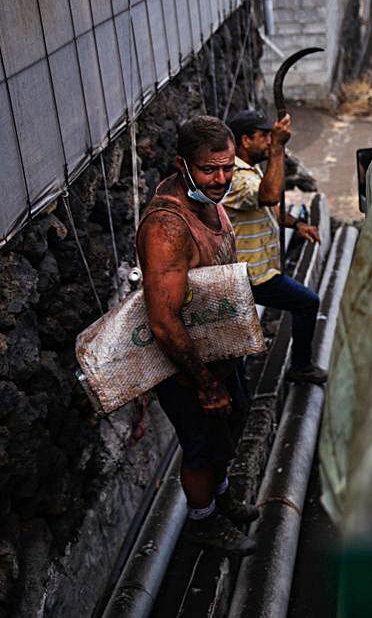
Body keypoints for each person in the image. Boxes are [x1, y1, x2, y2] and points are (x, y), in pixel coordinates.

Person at [137, 115, 258, 556]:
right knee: (201, 446)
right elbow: (164, 321)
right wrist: (205, 384)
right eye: (209, 170)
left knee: (229, 427)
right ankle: (202, 521)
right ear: (182, 165)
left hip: (220, 352)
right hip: (189, 368)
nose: (221, 179)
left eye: (227, 168)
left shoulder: (210, 199)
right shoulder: (167, 228)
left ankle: (221, 496)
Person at [222, 109, 328, 385]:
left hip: (261, 268)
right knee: (307, 302)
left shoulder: (249, 169)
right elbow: (269, 196)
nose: (269, 141)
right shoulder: (234, 175)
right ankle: (300, 367)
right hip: (249, 274)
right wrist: (278, 148)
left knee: (240, 338)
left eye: (272, 137)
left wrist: (297, 225)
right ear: (245, 141)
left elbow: (270, 208)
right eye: (264, 137)